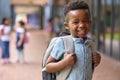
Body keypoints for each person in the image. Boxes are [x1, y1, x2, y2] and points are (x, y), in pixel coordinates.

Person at [45, 1, 101, 80]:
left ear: (90, 23)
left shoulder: (90, 44)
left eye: (85, 21)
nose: (81, 25)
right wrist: (64, 62)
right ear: (67, 25)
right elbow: (48, 67)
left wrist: (97, 60)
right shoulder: (63, 42)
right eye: (75, 22)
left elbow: (86, 66)